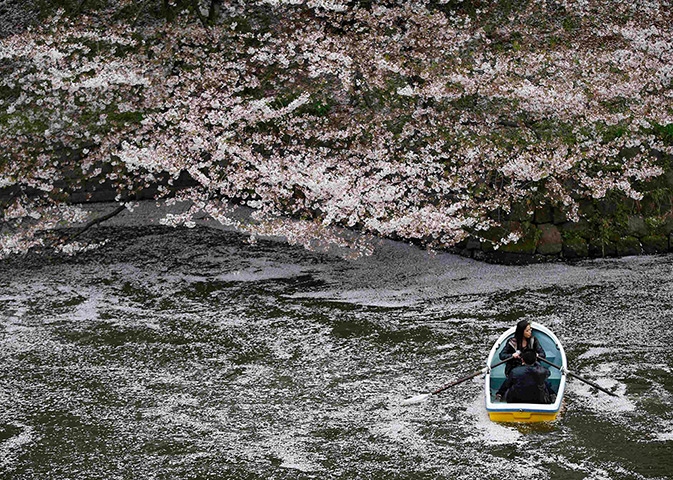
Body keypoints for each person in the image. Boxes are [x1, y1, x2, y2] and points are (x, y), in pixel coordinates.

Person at [494, 320, 547, 401]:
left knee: (540, 379)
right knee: (512, 377)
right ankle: (500, 393)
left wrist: (536, 355)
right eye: (527, 331)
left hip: (531, 365)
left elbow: (542, 354)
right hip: (515, 365)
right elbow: (502, 355)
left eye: (530, 330)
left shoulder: (533, 340)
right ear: (521, 332)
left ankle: (552, 394)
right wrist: (512, 355)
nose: (530, 332)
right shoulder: (512, 342)